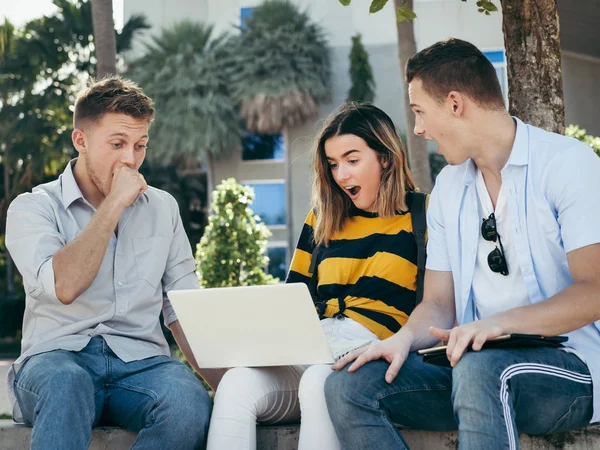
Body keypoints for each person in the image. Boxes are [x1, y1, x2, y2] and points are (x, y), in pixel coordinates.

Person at [325, 38, 600, 450]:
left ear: (455, 104)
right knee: (349, 386)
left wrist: (498, 325)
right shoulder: (450, 187)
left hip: (572, 370)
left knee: (479, 368)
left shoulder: (568, 165)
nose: (417, 129)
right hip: (470, 367)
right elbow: (439, 304)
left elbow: (594, 291)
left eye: (419, 111)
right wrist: (400, 340)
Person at [5, 76, 220, 450]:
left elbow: (182, 306)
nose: (131, 160)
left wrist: (227, 385)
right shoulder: (33, 208)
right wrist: (114, 204)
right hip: (55, 360)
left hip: (142, 364)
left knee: (187, 400)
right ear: (81, 140)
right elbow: (64, 287)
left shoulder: (162, 207)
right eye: (117, 144)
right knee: (66, 384)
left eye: (140, 146)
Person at [206, 102, 426, 450]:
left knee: (318, 382)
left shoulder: (423, 216)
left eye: (352, 161)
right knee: (236, 384)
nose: (341, 175)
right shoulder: (321, 219)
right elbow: (294, 300)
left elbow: (439, 304)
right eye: (333, 164)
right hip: (312, 348)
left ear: (385, 157)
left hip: (368, 357)